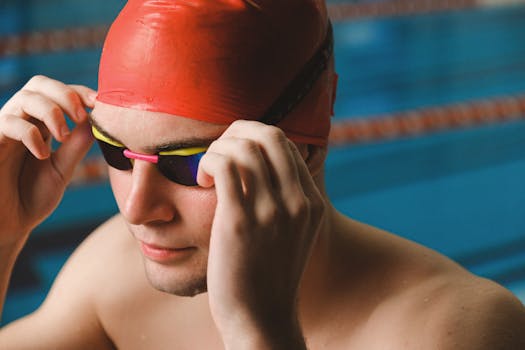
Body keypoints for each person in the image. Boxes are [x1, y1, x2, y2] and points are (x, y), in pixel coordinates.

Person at [1, 0, 524, 348]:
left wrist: (261, 333)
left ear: (304, 149)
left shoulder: (458, 329)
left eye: (190, 162)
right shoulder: (114, 271)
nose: (138, 209)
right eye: (115, 151)